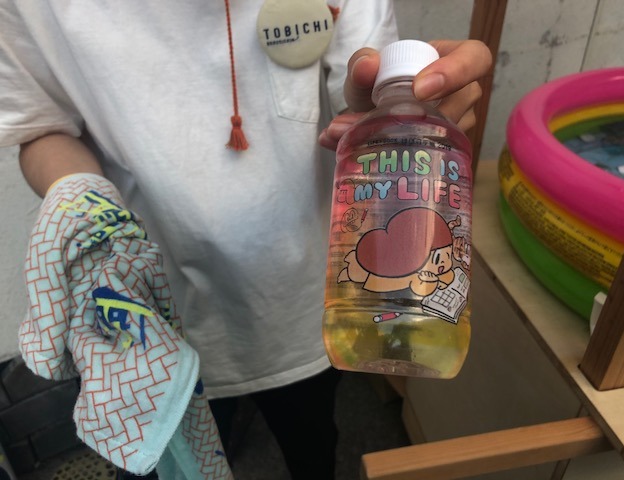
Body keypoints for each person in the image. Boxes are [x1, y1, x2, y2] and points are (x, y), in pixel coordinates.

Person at [0, 1, 491, 478]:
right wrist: (80, 202)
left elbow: (367, 93)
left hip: (308, 303)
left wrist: (399, 113)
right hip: (161, 308)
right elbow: (41, 124)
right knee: (189, 448)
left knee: (312, 438)